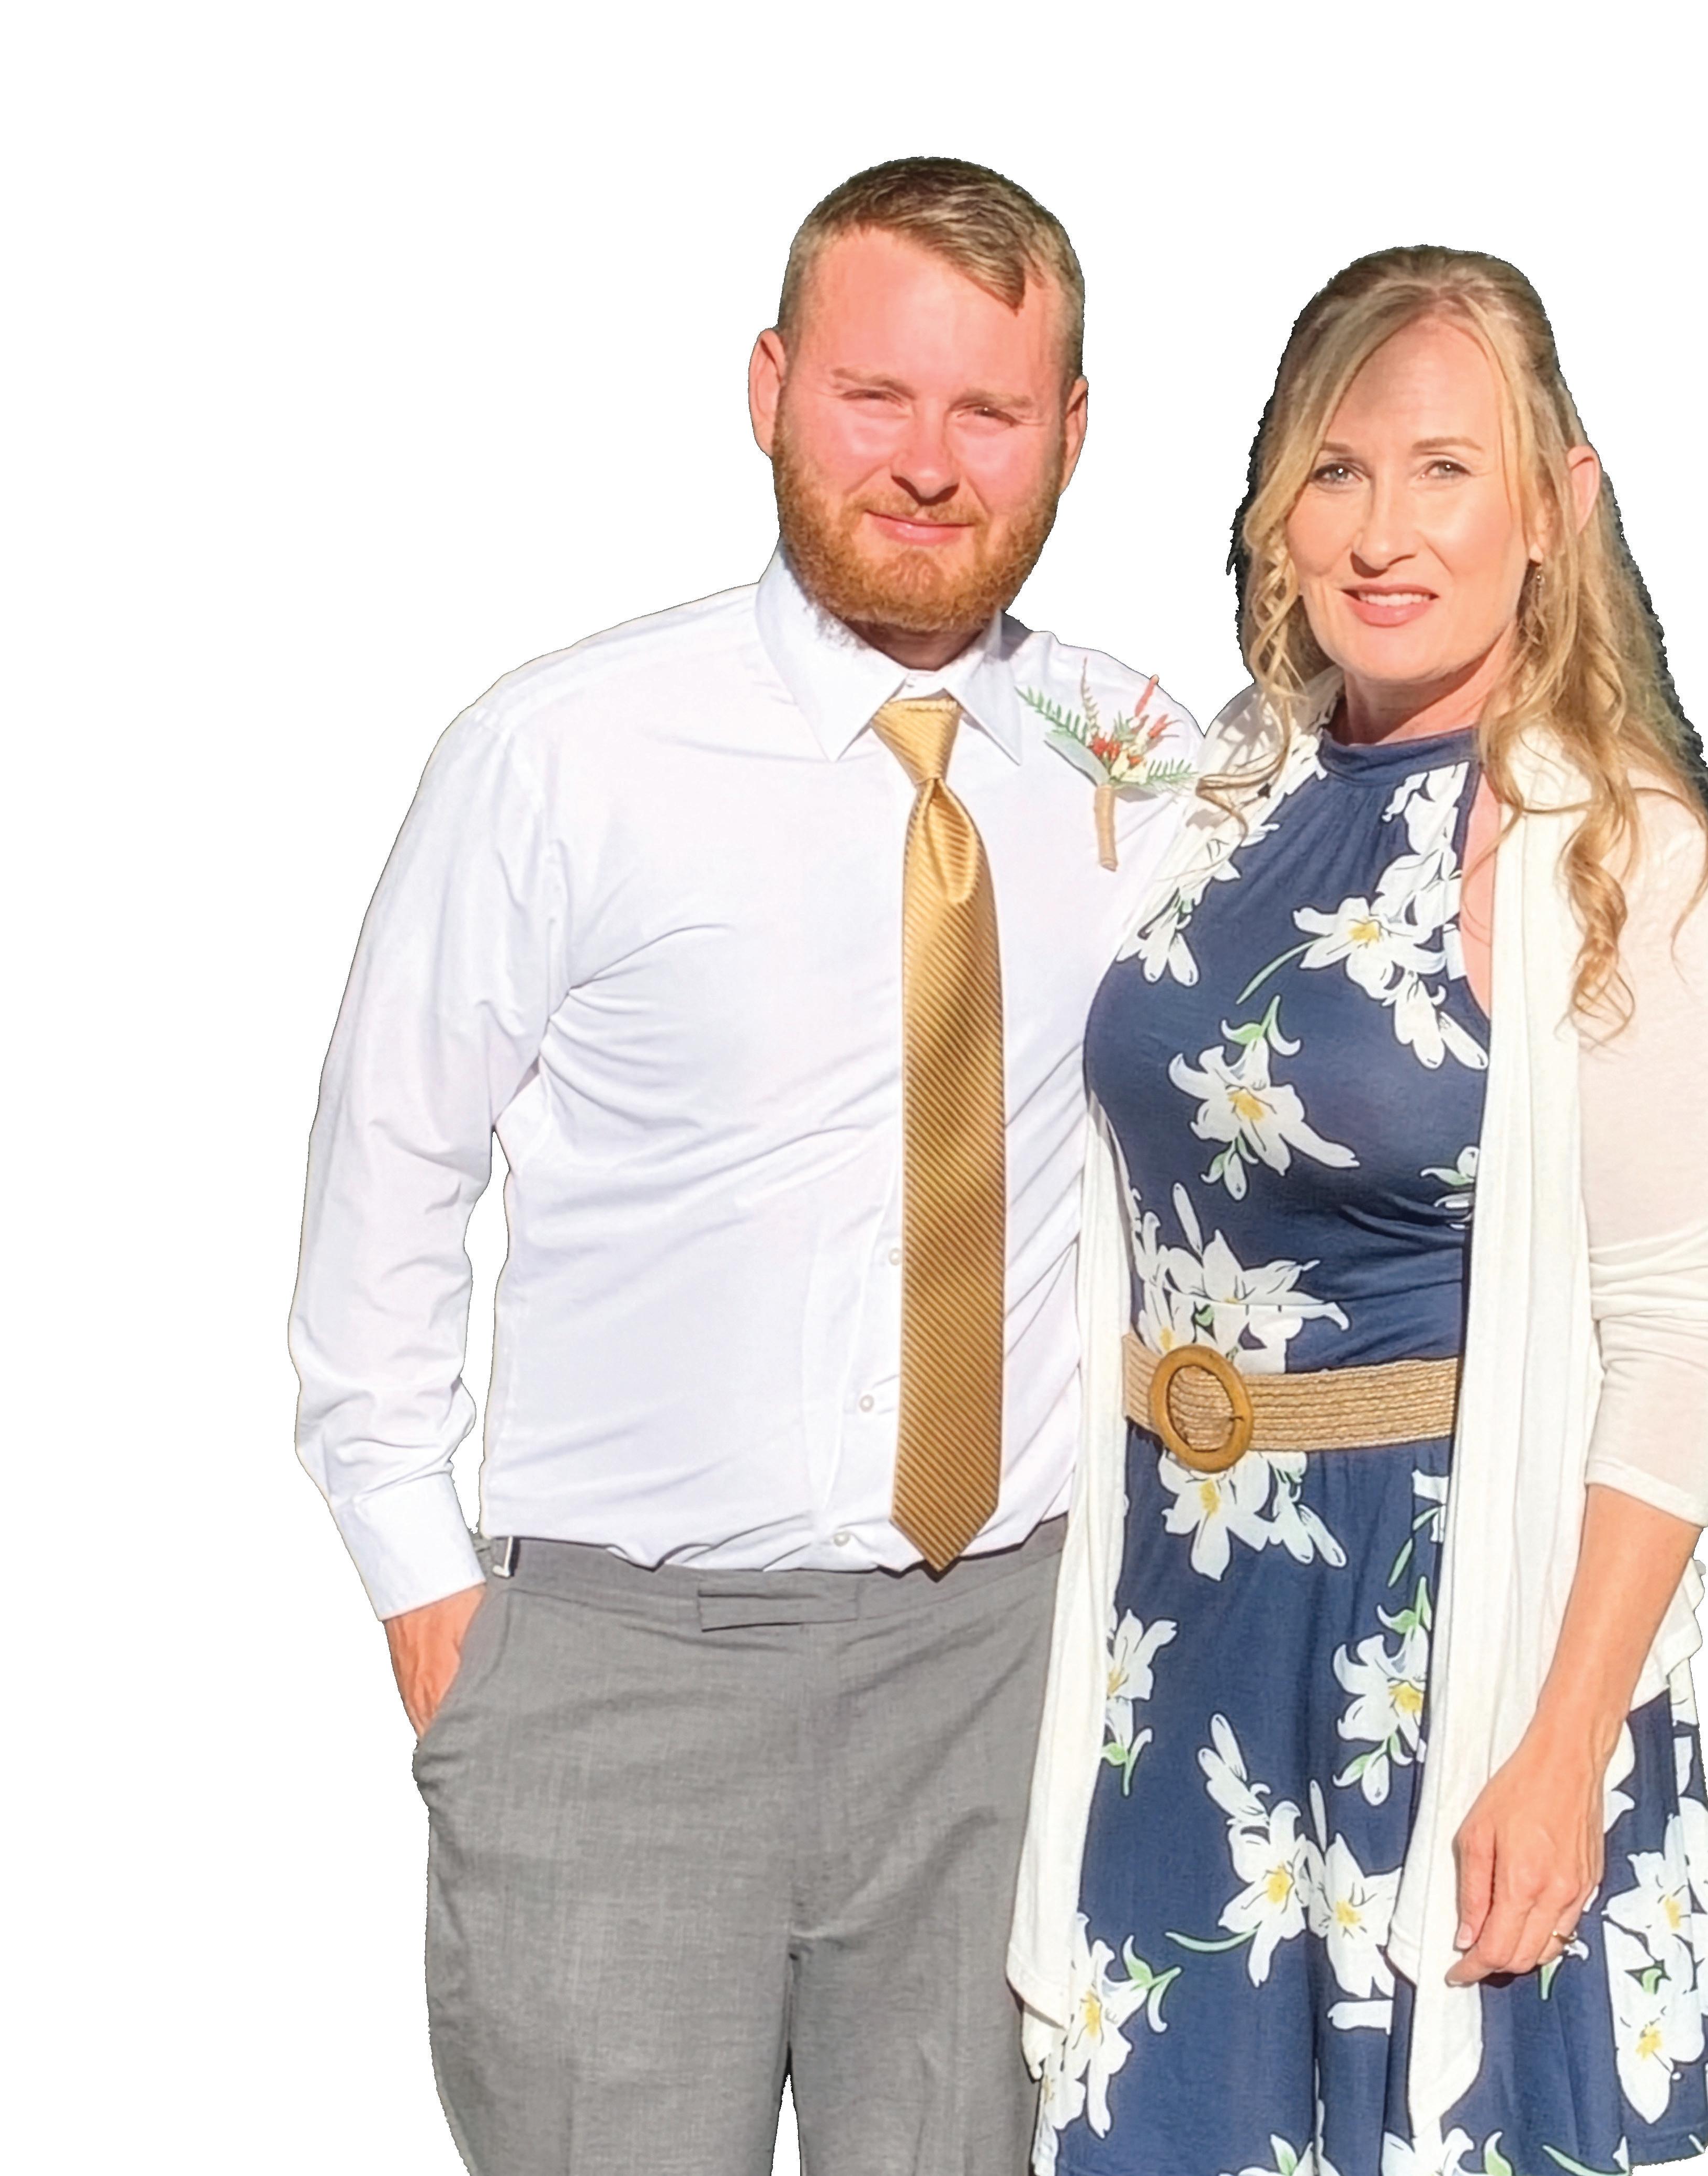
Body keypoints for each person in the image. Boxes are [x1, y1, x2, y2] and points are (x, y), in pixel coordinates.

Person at [288, 156, 1198, 2176]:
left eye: (989, 408)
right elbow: (389, 1178)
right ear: (771, 387)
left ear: (1069, 431)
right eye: (876, 395)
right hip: (616, 1680)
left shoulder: (1137, 754)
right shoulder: (562, 753)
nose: (930, 462)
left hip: (1001, 1671)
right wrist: (440, 1615)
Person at [1011, 247, 1708, 2176]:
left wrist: (1560, 1748)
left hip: (1436, 1644)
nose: (1381, 528)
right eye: (1334, 469)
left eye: (1443, 469)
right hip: (1179, 1625)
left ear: (1553, 507)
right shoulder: (1223, 789)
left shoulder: (1615, 852)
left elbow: (1673, 1339)